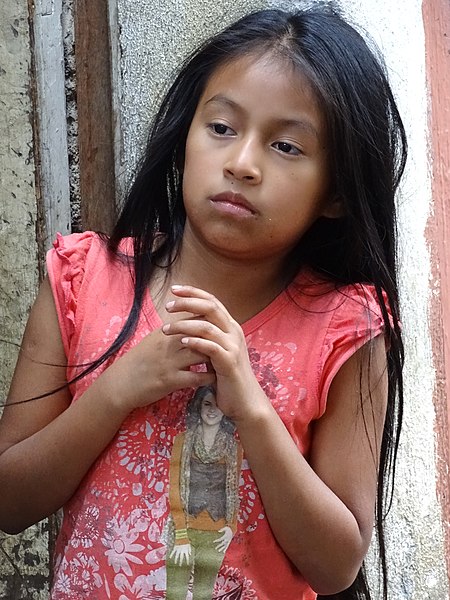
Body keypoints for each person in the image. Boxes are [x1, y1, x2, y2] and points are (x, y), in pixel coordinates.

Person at [0, 6, 406, 600]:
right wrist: (118, 390)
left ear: (337, 193)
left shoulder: (346, 327)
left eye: (287, 146)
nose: (242, 163)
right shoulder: (83, 280)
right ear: (184, 135)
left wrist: (253, 409)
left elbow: (336, 564)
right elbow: (9, 501)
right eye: (221, 128)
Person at [166, 385, 242, 599]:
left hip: (216, 534)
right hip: (184, 529)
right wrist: (181, 536)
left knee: (203, 594)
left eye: (219, 405)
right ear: (198, 406)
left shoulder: (232, 447)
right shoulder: (183, 440)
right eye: (207, 404)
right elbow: (174, 487)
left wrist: (231, 527)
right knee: (175, 593)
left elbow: (233, 490)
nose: (212, 410)